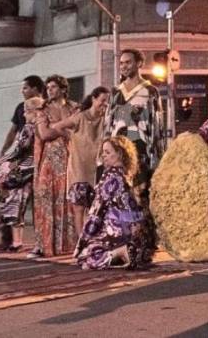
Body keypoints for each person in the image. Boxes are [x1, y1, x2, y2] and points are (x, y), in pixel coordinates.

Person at [74, 135, 156, 270]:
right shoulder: (125, 174)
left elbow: (97, 209)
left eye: (108, 152)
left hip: (119, 230)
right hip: (135, 231)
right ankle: (124, 252)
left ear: (119, 154)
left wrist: (83, 240)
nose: (104, 156)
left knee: (85, 258)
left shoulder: (110, 176)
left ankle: (119, 251)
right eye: (103, 152)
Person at [48, 86, 111, 238]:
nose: (105, 105)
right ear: (93, 99)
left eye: (107, 102)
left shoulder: (106, 120)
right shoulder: (80, 117)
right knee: (79, 209)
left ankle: (92, 240)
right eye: (102, 101)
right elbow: (57, 126)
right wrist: (71, 137)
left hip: (96, 169)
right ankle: (81, 243)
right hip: (79, 168)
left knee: (94, 209)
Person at [0, 96, 42, 253]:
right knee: (18, 206)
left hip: (19, 172)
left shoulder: (29, 128)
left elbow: (19, 149)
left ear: (35, 111)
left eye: (27, 111)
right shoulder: (42, 126)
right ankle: (16, 243)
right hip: (31, 172)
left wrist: (2, 160)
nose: (24, 115)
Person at [105, 49, 164, 203]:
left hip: (141, 151)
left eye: (128, 62)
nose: (124, 66)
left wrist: (158, 156)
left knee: (140, 196)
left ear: (139, 64)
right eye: (121, 63)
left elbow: (157, 126)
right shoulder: (115, 92)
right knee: (118, 194)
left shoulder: (150, 91)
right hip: (118, 151)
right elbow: (108, 123)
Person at [29, 74, 78, 258]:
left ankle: (69, 245)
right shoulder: (43, 109)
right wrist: (64, 129)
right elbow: (44, 134)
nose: (50, 90)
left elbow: (78, 130)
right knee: (46, 199)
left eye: (53, 87)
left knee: (68, 200)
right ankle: (44, 244)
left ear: (63, 89)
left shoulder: (74, 107)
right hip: (49, 160)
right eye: (48, 87)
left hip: (70, 158)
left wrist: (56, 128)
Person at [0, 76, 45, 156]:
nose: (22, 91)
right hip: (23, 150)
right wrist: (3, 150)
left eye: (25, 88)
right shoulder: (20, 107)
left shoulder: (48, 107)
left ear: (34, 89)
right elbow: (13, 131)